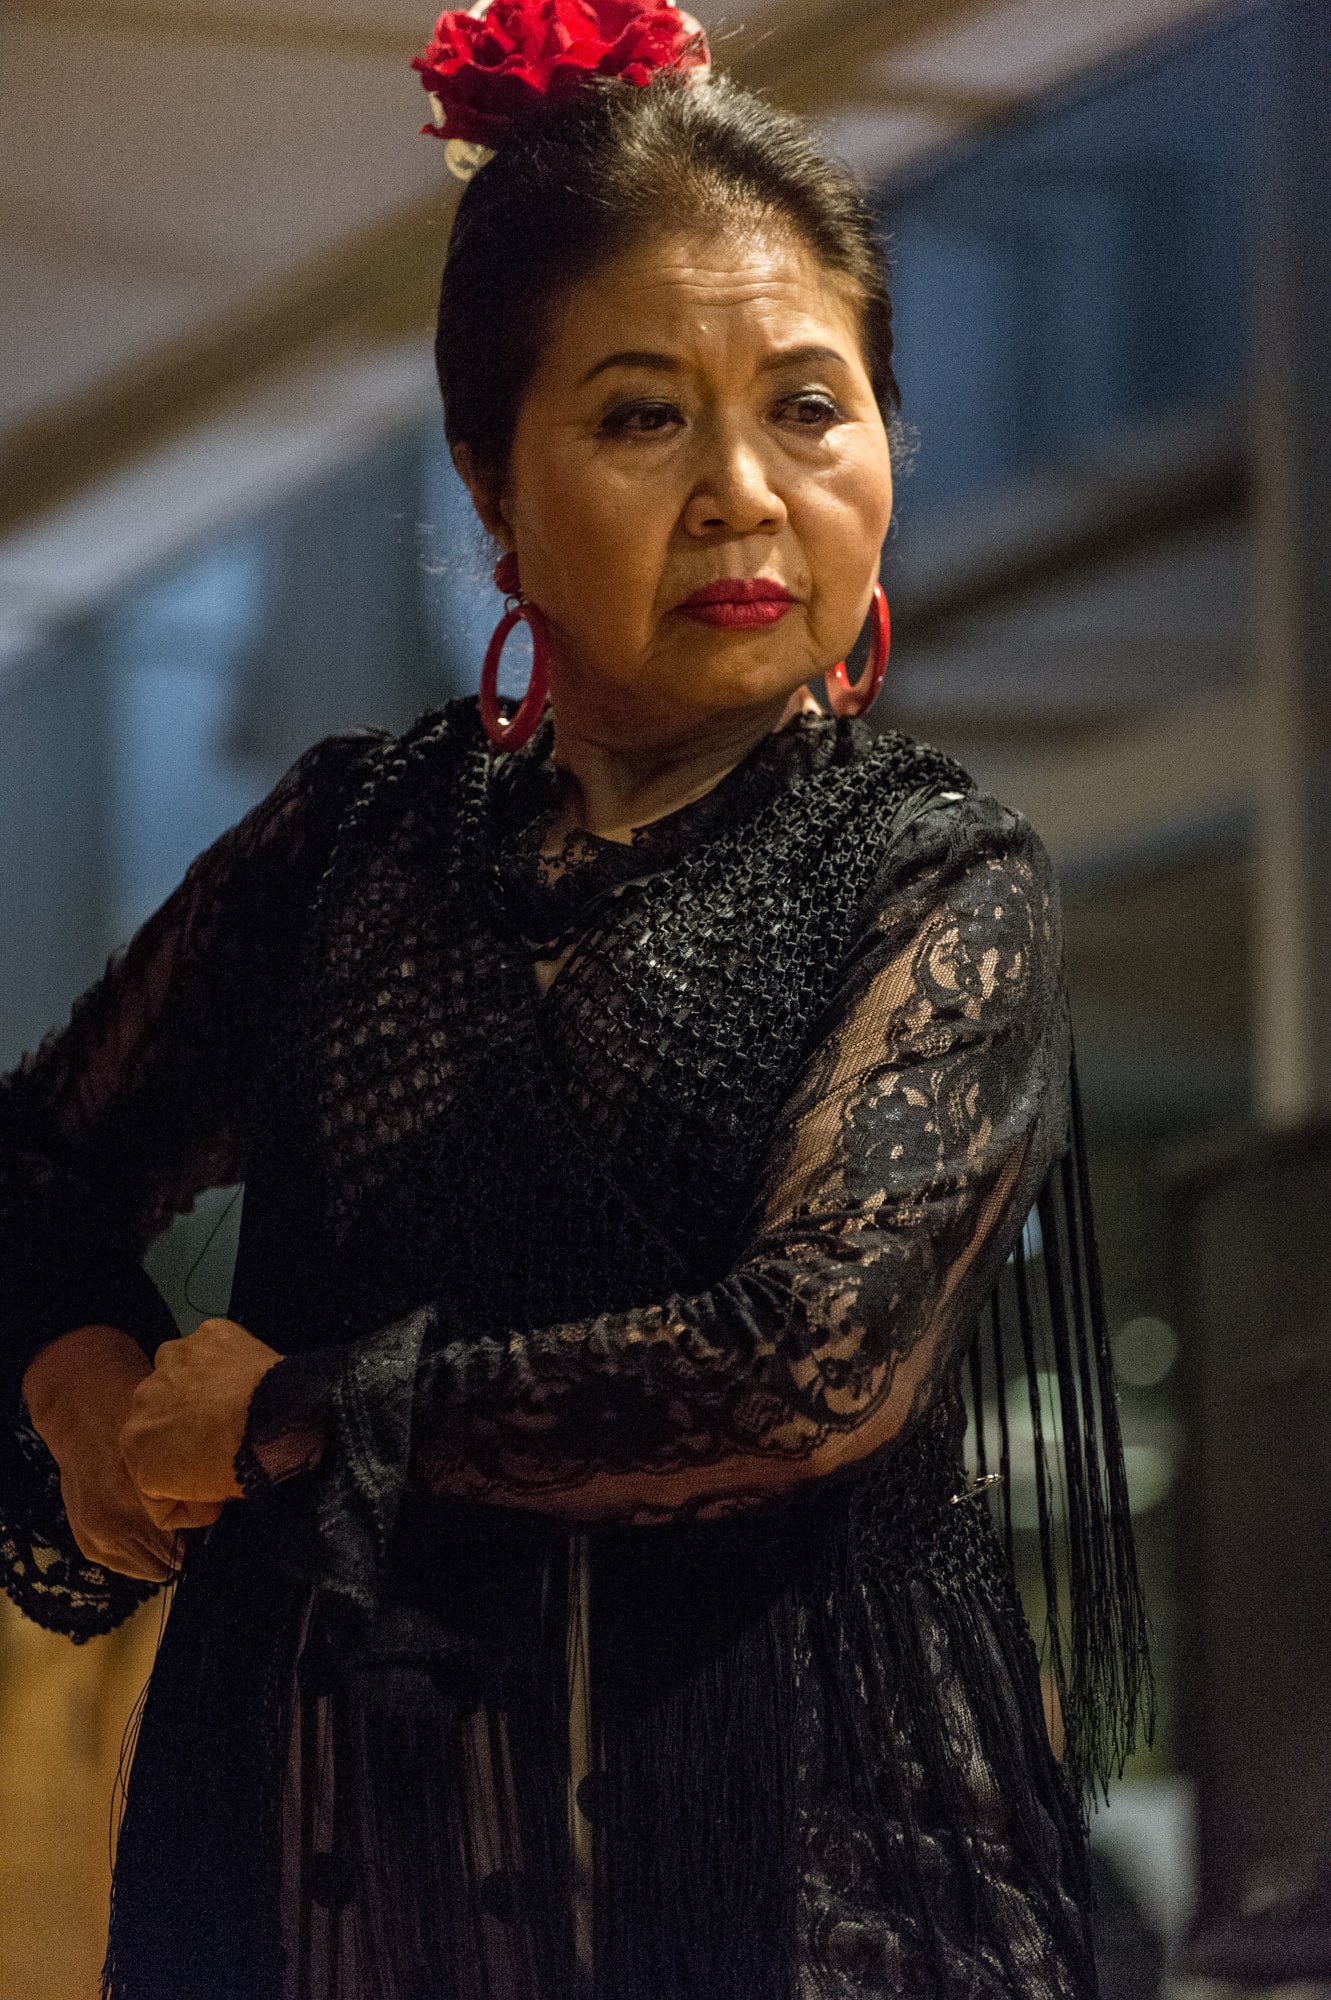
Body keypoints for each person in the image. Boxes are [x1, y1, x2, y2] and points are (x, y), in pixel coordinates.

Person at [0, 5, 1152, 1995]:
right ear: (491, 484)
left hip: (794, 1898)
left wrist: (284, 1415)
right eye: (641, 418)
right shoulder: (348, 841)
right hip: (318, 1880)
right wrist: (92, 1397)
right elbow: (29, 1167)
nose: (742, 491)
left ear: (887, 447)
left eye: (810, 407)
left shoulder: (934, 872)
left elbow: (802, 1369)